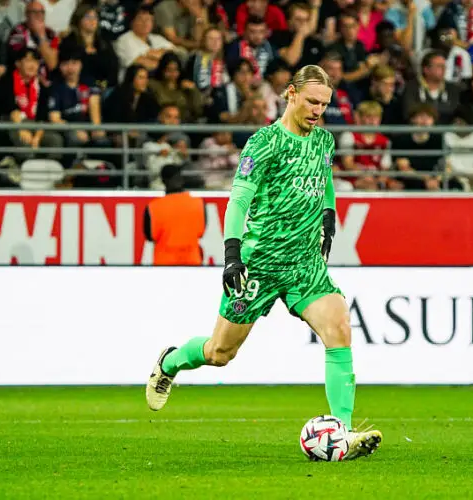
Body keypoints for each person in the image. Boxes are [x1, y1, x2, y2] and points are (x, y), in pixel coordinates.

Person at [145, 64, 383, 460]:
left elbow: (324, 179)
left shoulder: (324, 141)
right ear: (290, 94)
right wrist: (232, 254)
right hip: (259, 263)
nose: (317, 111)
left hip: (304, 264)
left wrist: (328, 212)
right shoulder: (264, 143)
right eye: (311, 102)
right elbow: (238, 199)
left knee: (339, 328)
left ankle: (341, 431)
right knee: (220, 353)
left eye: (324, 105)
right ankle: (169, 363)